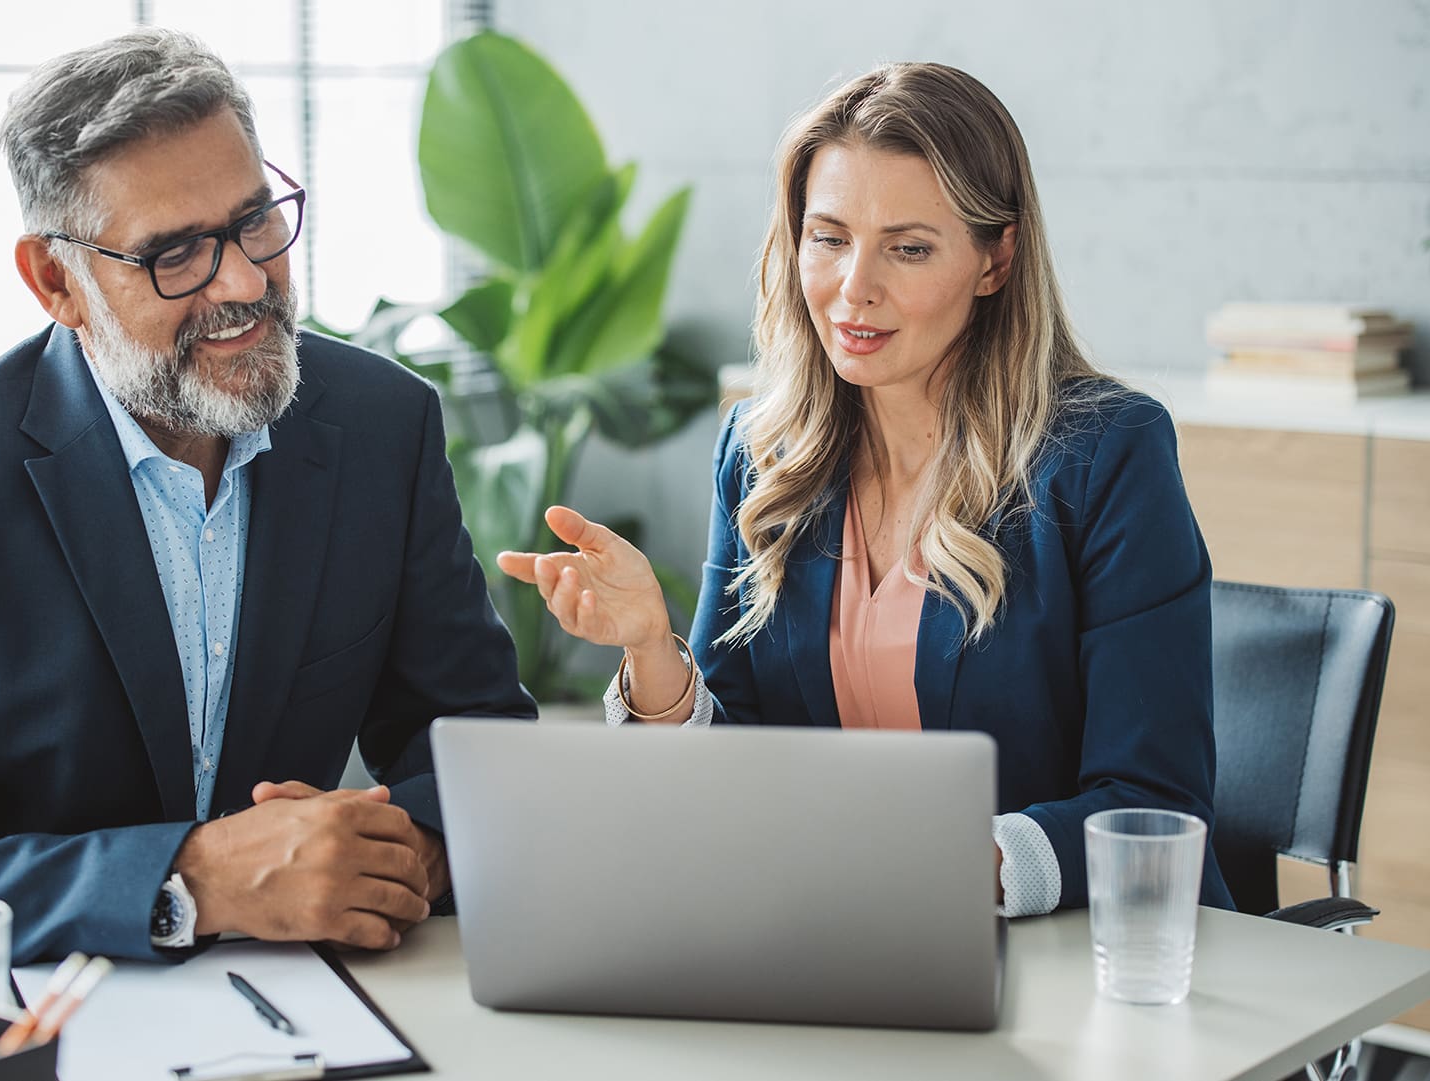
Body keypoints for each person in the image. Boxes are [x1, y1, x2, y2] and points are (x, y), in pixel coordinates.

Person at [0, 28, 533, 1008]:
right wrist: (190, 880)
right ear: (57, 282)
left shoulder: (384, 423)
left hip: (279, 1011)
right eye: (177, 254)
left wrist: (413, 851)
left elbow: (475, 750)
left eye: (257, 222)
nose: (248, 282)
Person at [498, 63, 1232, 916]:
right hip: (832, 940)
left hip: (1070, 959)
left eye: (909, 248)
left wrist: (931, 869)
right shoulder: (762, 451)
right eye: (829, 237)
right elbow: (732, 770)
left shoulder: (1105, 453)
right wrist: (652, 650)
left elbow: (1154, 806)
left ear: (996, 259)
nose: (855, 289)